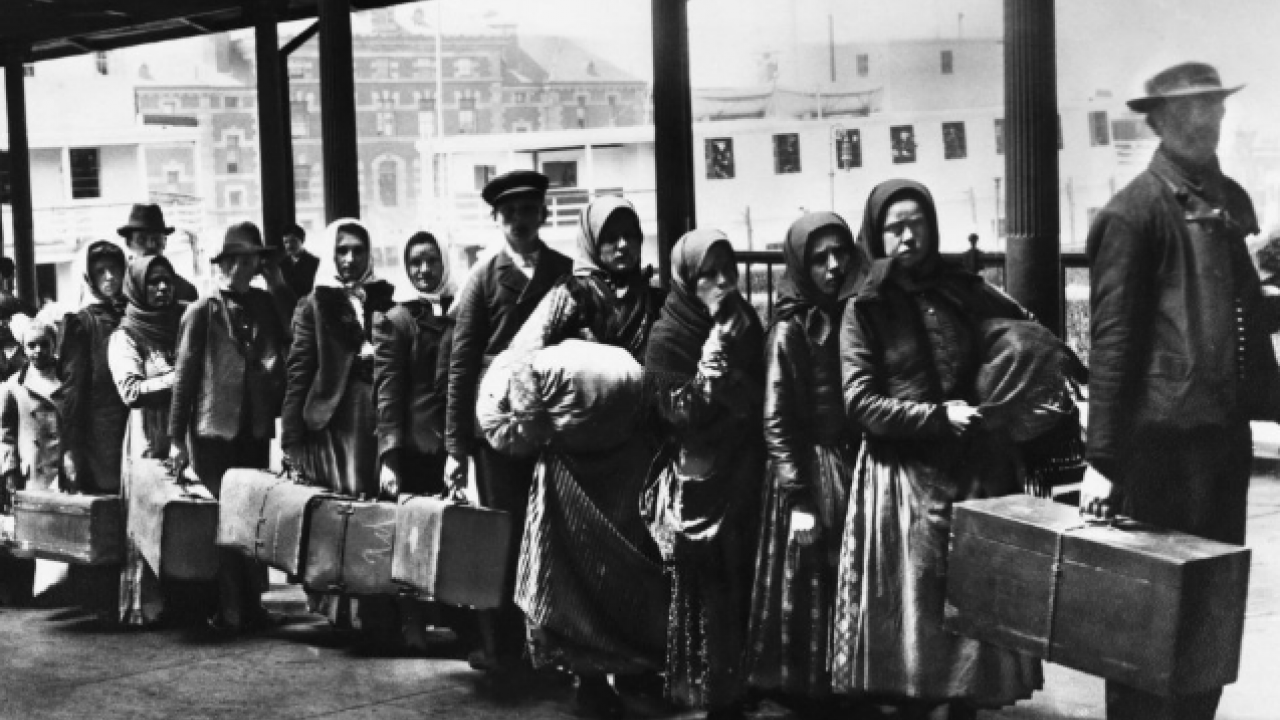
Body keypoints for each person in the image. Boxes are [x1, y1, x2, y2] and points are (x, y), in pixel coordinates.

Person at [1082, 62, 1279, 720]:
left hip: (1223, 446)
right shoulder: (1133, 213)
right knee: (1145, 626)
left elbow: (1240, 313)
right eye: (1188, 112)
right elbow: (1112, 345)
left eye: (1212, 109)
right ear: (1159, 123)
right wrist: (1102, 463)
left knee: (1209, 623)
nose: (1204, 123)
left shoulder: (1230, 202)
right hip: (1157, 451)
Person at [832, 179, 1042, 719]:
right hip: (904, 477)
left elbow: (1012, 333)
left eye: (916, 223)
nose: (907, 236)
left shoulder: (961, 288)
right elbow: (860, 402)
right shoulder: (865, 304)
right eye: (894, 227)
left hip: (972, 466)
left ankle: (963, 703)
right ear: (877, 235)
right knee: (918, 600)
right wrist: (934, 416)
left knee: (973, 593)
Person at [503, 197, 667, 717]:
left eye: (631, 235)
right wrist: (542, 422)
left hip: (632, 456)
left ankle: (635, 665)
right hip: (575, 462)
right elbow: (522, 356)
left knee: (635, 563)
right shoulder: (569, 295)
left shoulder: (654, 299)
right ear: (594, 241)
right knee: (580, 572)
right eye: (611, 236)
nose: (622, 246)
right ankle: (589, 675)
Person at [444, 169, 573, 673]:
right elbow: (461, 362)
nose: (519, 220)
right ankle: (501, 649)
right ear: (495, 218)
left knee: (550, 535)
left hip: (549, 419)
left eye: (529, 210)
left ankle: (554, 649)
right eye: (509, 212)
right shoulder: (481, 277)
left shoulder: (564, 271)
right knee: (504, 534)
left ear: (542, 213)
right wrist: (456, 449)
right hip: (495, 428)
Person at [744, 213, 866, 714]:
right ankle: (802, 685)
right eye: (820, 259)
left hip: (845, 461)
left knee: (845, 572)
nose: (834, 267)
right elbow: (776, 421)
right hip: (806, 470)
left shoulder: (852, 317)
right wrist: (797, 496)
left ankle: (843, 678)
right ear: (800, 265)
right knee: (805, 573)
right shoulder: (790, 329)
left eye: (840, 254)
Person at [645, 230, 765, 720]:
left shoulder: (746, 322)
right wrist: (711, 366)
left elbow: (763, 393)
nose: (721, 283)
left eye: (727, 271)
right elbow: (676, 415)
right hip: (699, 474)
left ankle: (748, 680)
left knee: (747, 577)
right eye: (707, 274)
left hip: (746, 466)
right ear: (686, 280)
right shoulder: (669, 334)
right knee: (708, 587)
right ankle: (712, 689)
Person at [169, 222, 291, 634]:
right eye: (244, 259)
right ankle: (228, 607)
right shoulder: (202, 309)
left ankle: (252, 605)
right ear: (229, 262)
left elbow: (291, 334)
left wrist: (277, 282)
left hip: (253, 429)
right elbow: (184, 379)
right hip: (212, 431)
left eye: (255, 259)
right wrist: (176, 440)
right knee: (223, 521)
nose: (249, 267)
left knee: (252, 518)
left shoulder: (263, 303)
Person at [280, 218, 397, 643]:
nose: (350, 259)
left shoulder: (387, 298)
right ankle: (343, 609)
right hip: (337, 423)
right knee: (344, 509)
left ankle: (375, 603)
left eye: (358, 251)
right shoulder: (314, 303)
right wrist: (291, 439)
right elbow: (298, 373)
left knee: (379, 507)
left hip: (377, 421)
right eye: (342, 251)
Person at [372, 230, 455, 652]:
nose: (423, 271)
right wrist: (389, 456)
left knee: (447, 532)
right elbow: (387, 392)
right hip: (414, 447)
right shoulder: (396, 320)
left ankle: (444, 616)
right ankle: (411, 622)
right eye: (414, 263)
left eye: (431, 260)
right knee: (408, 536)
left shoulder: (460, 313)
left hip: (452, 446)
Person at [108, 255, 188, 627]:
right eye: (153, 282)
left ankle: (189, 601)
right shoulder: (125, 336)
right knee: (148, 516)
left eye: (167, 281)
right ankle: (146, 606)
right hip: (147, 434)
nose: (161, 288)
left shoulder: (183, 322)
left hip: (183, 432)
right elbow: (131, 391)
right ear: (137, 287)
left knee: (184, 517)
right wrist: (180, 379)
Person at [58, 240, 130, 496]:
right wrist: (70, 448)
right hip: (100, 435)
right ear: (89, 277)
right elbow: (72, 391)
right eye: (100, 271)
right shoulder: (82, 323)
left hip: (135, 427)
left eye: (114, 269)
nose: (109, 277)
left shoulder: (133, 316)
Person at [1, 320, 70, 496]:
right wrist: (10, 470)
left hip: (68, 468)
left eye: (44, 344)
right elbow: (5, 433)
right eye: (32, 345)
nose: (38, 350)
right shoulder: (14, 386)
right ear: (23, 348)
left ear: (54, 344)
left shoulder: (69, 380)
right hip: (33, 471)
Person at [116, 203, 199, 303]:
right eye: (141, 240)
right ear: (129, 243)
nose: (150, 245)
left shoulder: (185, 291)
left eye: (156, 240)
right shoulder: (119, 291)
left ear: (165, 243)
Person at [280, 222, 320, 302]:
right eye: (286, 242)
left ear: (302, 240)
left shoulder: (315, 263)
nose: (289, 246)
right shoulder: (281, 264)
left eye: (293, 241)